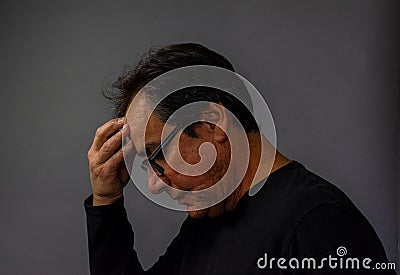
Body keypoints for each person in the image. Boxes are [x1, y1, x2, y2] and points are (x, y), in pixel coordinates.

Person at [85, 43, 395, 274]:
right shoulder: (209, 220)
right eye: (147, 164)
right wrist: (106, 200)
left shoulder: (318, 222)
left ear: (212, 122)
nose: (154, 184)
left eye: (158, 153)